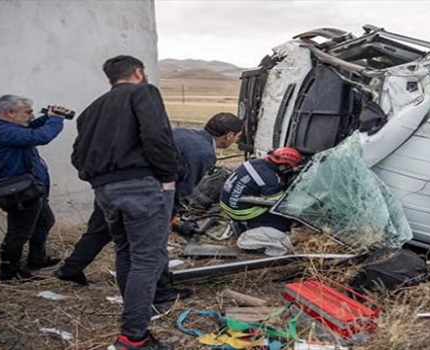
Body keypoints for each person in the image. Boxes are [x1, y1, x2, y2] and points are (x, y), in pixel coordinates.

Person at [54, 113, 243, 295]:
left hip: (114, 185)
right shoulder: (203, 152)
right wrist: (170, 215)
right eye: (237, 137)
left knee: (99, 229)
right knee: (153, 244)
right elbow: (182, 187)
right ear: (229, 135)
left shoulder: (184, 133)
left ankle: (70, 268)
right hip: (144, 196)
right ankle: (161, 290)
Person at [71, 55, 180, 350]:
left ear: (110, 78)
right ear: (138, 72)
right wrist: (168, 176)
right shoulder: (144, 92)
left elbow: (77, 155)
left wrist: (98, 178)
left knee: (126, 252)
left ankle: (136, 317)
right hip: (142, 187)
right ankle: (134, 336)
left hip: (105, 190)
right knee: (147, 259)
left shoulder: (91, 109)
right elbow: (157, 135)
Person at [0, 95, 66, 281]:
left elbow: (31, 128)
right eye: (27, 112)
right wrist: (56, 119)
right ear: (10, 113)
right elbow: (41, 136)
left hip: (30, 189)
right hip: (18, 192)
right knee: (19, 233)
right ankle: (9, 273)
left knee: (44, 220)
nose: (32, 116)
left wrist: (47, 117)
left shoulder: (6, 128)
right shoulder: (3, 132)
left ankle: (37, 259)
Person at [219, 147, 301, 233]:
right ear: (283, 166)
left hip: (226, 203)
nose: (291, 170)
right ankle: (247, 226)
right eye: (290, 168)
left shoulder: (255, 162)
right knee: (284, 224)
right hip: (240, 212)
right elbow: (279, 204)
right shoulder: (270, 178)